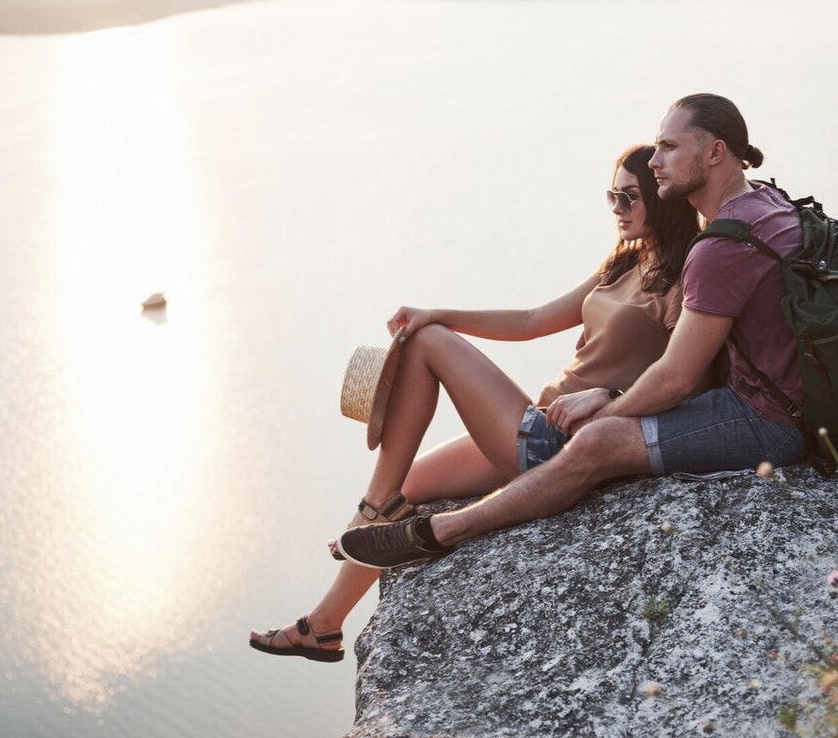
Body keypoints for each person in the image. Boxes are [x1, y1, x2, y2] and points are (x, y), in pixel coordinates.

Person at [250, 143, 712, 660]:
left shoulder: (686, 278)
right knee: (411, 482)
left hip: (558, 443)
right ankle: (324, 625)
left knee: (428, 346)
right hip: (531, 424)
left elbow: (689, 381)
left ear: (662, 199)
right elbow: (533, 320)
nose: (617, 210)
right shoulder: (626, 262)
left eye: (630, 198)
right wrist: (439, 310)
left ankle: (373, 509)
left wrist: (611, 394)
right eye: (612, 197)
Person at [337, 93, 808, 570]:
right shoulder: (763, 203)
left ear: (715, 153)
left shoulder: (715, 250)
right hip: (780, 397)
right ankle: (331, 609)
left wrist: (608, 404)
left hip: (766, 420)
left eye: (668, 147)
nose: (656, 159)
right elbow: (536, 320)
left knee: (594, 442)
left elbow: (679, 378)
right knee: (442, 464)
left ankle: (445, 529)